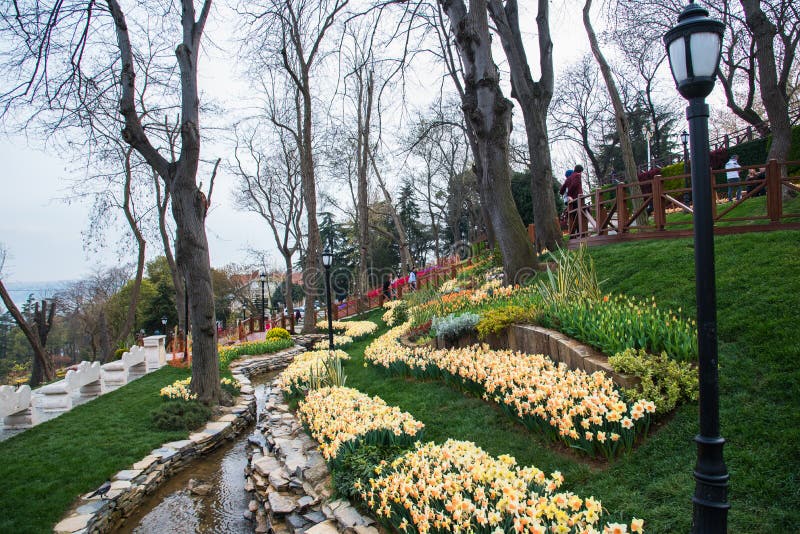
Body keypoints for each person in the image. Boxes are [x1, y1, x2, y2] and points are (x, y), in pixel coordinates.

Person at [559, 165, 584, 234]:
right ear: (580, 171)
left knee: (573, 215)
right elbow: (574, 185)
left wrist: (564, 194)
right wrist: (569, 194)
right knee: (580, 214)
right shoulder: (577, 176)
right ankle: (580, 231)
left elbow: (561, 190)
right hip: (577, 198)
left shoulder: (568, 178)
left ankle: (573, 232)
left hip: (570, 201)